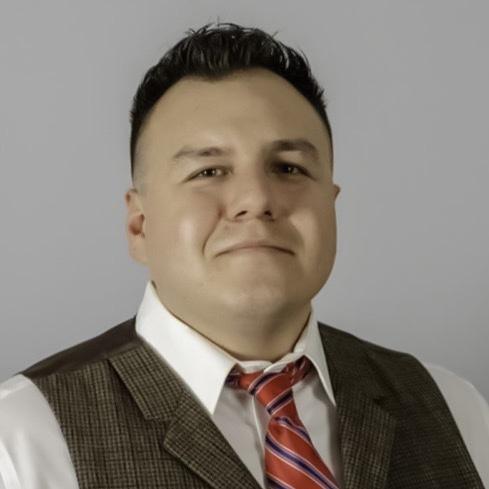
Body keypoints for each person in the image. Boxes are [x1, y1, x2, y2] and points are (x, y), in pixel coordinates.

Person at [0, 21, 487, 489]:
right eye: (209, 172)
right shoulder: (20, 440)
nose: (256, 199)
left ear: (331, 206)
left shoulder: (454, 409)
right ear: (139, 225)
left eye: (288, 168)